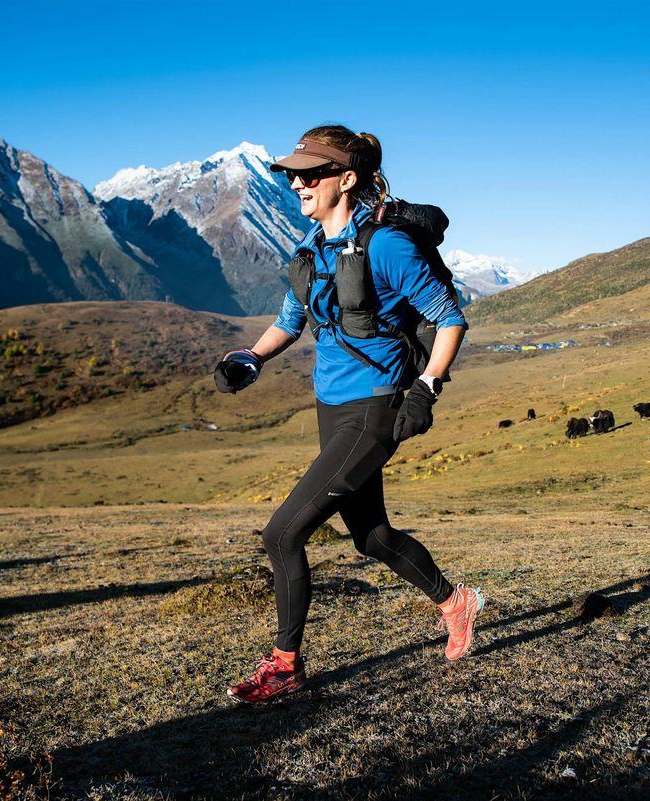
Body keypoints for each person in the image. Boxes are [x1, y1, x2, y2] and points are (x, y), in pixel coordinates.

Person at [214, 124, 483, 704]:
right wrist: (250, 359)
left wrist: (427, 388)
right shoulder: (308, 251)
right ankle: (454, 601)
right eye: (293, 174)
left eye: (311, 174)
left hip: (377, 405)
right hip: (331, 407)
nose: (297, 184)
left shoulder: (387, 246)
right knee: (369, 535)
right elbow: (291, 320)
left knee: (282, 534)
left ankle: (285, 665)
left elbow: (449, 316)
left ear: (347, 178)